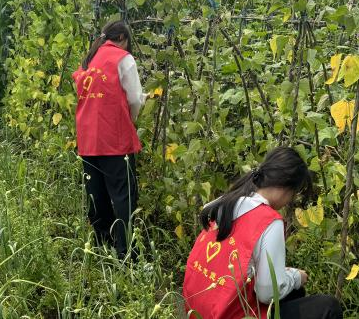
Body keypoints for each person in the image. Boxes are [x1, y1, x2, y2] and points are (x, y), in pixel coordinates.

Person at [182, 146, 343, 319]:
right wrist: (296, 276)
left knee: (293, 293)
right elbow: (267, 293)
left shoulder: (223, 202)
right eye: (294, 194)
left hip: (198, 310)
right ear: (286, 187)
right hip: (229, 314)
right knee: (328, 306)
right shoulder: (268, 220)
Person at [72, 20, 145, 260]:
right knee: (124, 195)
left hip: (88, 138)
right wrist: (130, 119)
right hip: (114, 137)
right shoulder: (123, 59)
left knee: (97, 193)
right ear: (123, 37)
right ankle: (126, 253)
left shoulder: (89, 60)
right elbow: (135, 98)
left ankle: (102, 245)